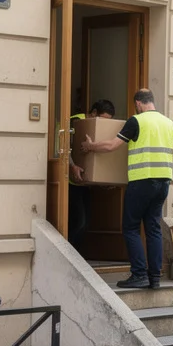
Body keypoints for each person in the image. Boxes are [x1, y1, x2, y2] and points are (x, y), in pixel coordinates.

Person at [81, 88, 173, 289]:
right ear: (152, 101)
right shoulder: (168, 123)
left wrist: (90, 147)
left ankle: (138, 274)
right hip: (163, 182)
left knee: (131, 227)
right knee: (153, 229)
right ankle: (154, 278)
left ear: (138, 104)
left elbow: (111, 146)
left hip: (142, 181)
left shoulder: (137, 121)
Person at [67, 100, 115, 253]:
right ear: (93, 113)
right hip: (71, 182)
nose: (103, 123)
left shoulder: (99, 126)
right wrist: (72, 165)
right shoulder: (75, 122)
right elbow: (63, 147)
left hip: (86, 183)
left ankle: (77, 255)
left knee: (86, 223)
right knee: (79, 221)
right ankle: (70, 254)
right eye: (102, 118)